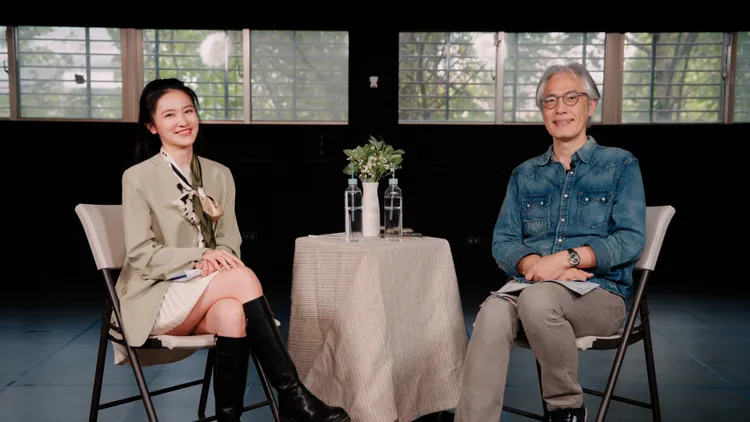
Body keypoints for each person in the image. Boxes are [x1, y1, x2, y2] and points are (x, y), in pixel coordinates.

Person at [116, 78, 351, 422]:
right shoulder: (137, 177)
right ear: (152, 126)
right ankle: (292, 395)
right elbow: (140, 255)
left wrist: (214, 261)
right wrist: (200, 256)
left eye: (188, 111)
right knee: (241, 278)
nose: (183, 121)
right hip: (156, 294)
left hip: (206, 286)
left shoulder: (219, 174)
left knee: (231, 313)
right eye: (169, 115)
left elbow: (229, 241)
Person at [454, 63, 646, 422]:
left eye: (571, 98)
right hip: (533, 287)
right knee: (493, 312)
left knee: (538, 299)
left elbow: (630, 240)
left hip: (600, 294)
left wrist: (566, 260)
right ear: (542, 110)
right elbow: (504, 241)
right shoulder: (525, 174)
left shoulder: (620, 165)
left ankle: (566, 409)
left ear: (590, 105)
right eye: (550, 100)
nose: (560, 108)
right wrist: (537, 267)